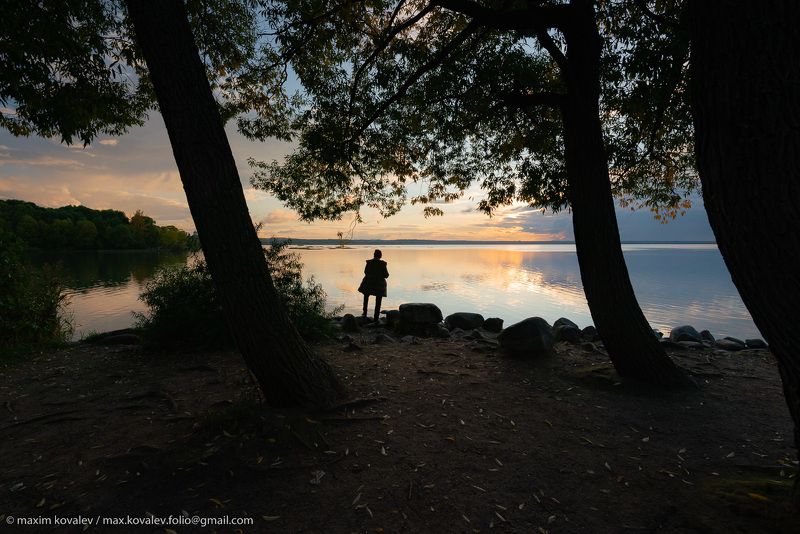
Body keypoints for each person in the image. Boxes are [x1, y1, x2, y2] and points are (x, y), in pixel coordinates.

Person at [357, 249, 389, 322]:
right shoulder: (382, 264)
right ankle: (376, 318)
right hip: (379, 285)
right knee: (378, 300)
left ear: (374, 255)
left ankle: (364, 313)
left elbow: (365, 272)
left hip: (368, 283)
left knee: (366, 297)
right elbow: (386, 275)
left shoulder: (369, 262)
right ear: (380, 256)